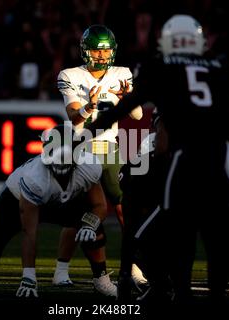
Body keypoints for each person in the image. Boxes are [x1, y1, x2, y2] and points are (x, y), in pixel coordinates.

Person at [85, 15, 229, 303]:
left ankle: (178, 292)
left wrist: (91, 129)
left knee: (177, 239)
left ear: (169, 41)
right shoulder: (218, 67)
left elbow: (130, 104)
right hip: (220, 164)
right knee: (221, 240)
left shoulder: (162, 66)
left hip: (184, 161)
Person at [0, 123, 117, 298]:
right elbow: (29, 233)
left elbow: (99, 206)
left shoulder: (89, 166)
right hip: (18, 199)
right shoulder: (34, 178)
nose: (60, 164)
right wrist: (29, 277)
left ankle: (101, 280)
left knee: (93, 230)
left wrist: (89, 224)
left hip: (64, 201)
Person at [54, 24, 147, 291]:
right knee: (79, 214)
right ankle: (61, 270)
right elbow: (75, 118)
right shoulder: (70, 75)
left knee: (125, 210)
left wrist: (128, 99)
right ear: (85, 51)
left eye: (106, 50)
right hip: (82, 147)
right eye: (97, 49)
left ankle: (134, 268)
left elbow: (138, 116)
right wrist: (90, 106)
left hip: (111, 147)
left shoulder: (122, 74)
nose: (103, 55)